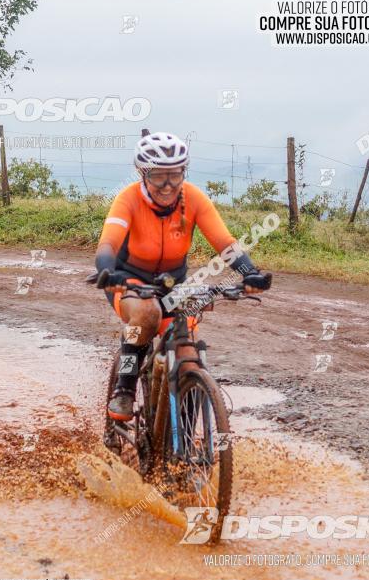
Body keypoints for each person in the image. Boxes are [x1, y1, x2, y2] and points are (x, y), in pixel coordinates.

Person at [95, 131, 272, 421]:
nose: (168, 185)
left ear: (183, 171)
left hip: (173, 284)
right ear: (142, 173)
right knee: (148, 316)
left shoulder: (193, 198)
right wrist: (106, 271)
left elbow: (225, 243)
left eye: (175, 175)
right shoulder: (127, 200)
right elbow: (108, 244)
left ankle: (184, 445)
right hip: (127, 280)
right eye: (158, 177)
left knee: (187, 348)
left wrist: (249, 273)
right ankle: (124, 389)